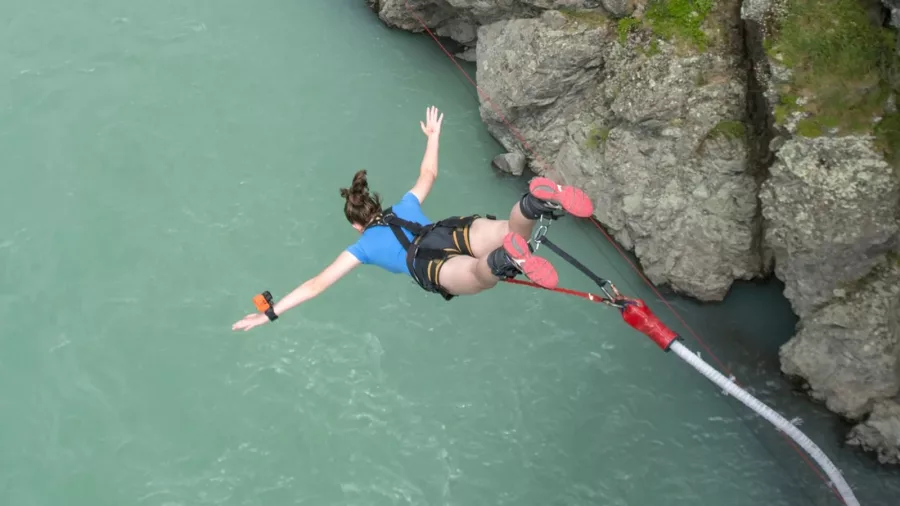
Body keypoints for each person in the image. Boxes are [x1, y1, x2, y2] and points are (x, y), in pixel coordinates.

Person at [231, 106, 593, 331]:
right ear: (375, 205)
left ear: (358, 225)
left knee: (477, 276)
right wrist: (433, 136)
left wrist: (269, 314)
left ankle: (505, 260)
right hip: (447, 229)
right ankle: (532, 204)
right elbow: (428, 174)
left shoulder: (361, 247)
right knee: (507, 229)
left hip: (426, 263)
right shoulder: (404, 205)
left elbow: (315, 285)